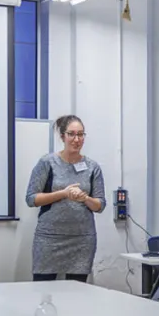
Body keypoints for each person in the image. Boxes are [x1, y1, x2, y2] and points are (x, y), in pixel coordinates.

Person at [25, 116, 107, 282]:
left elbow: (100, 205)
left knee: (77, 295)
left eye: (81, 134)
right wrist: (63, 194)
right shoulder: (47, 162)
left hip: (82, 240)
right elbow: (31, 198)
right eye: (71, 134)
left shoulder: (93, 167)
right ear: (63, 136)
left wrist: (85, 198)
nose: (77, 139)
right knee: (44, 292)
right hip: (49, 239)